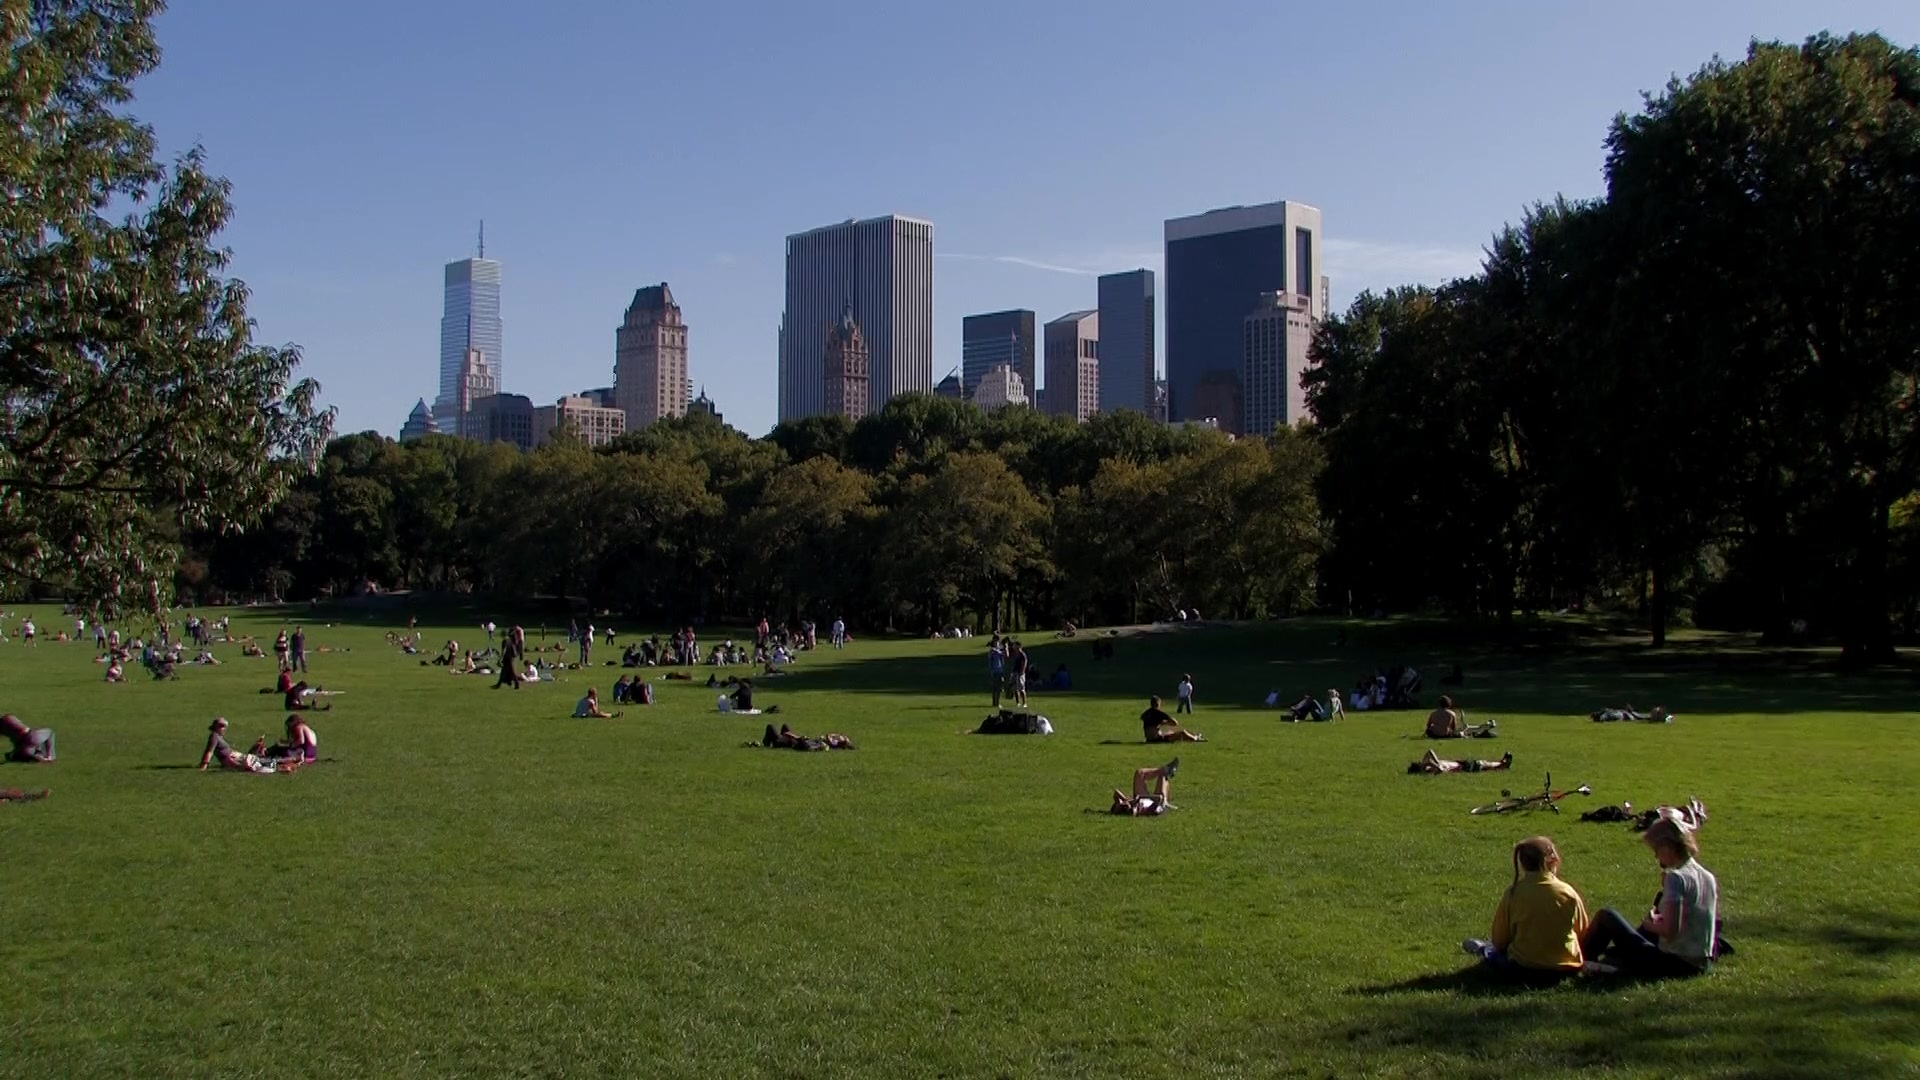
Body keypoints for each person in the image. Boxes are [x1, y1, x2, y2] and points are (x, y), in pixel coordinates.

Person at [1581, 817, 1720, 978]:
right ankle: (1609, 960)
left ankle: (1580, 960)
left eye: (1656, 850)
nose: (1656, 857)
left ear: (1667, 847)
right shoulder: (1707, 876)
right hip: (1701, 962)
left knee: (1607, 915)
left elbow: (1670, 931)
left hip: (1675, 964)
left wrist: (1649, 925)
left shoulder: (1676, 878)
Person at [1462, 836, 1591, 981]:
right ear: (1552, 860)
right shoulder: (1567, 892)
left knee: (1493, 953)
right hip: (1565, 969)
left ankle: (1482, 949)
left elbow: (1500, 940)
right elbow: (1582, 932)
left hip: (1524, 969)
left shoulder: (1514, 893)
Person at [199, 718, 294, 774]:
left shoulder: (218, 737)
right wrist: (204, 766)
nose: (224, 729)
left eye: (224, 726)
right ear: (215, 726)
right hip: (234, 760)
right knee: (262, 762)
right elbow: (209, 751)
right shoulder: (214, 736)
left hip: (237, 757)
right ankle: (291, 761)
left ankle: (289, 762)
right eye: (221, 726)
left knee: (261, 759)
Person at [1110, 758, 1179, 816]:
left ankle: (1165, 769)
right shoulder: (1132, 810)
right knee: (1162, 776)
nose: (1122, 804)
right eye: (1121, 806)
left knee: (1139, 773)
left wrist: (1125, 800)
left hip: (1144, 797)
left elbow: (1116, 792)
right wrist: (1134, 801)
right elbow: (1159, 797)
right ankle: (1166, 802)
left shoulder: (1126, 802)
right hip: (1157, 803)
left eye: (1119, 803)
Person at [1426, 695, 1495, 739]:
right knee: (1465, 730)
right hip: (1447, 735)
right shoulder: (1452, 714)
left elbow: (1428, 725)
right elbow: (1454, 727)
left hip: (1435, 735)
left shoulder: (1433, 713)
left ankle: (1483, 727)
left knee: (1464, 729)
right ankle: (1484, 727)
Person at [1408, 749, 1513, 774]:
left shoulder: (1429, 765)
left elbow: (1429, 751)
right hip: (1461, 767)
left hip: (1459, 763)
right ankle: (1502, 764)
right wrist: (1437, 766)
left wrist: (1435, 763)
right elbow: (1441, 770)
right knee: (1482, 764)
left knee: (1483, 764)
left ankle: (1501, 764)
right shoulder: (1431, 771)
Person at [988, 635, 1007, 708]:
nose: (997, 644)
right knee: (996, 688)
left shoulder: (998, 650)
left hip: (1000, 670)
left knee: (998, 688)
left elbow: (1004, 654)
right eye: (996, 643)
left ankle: (996, 702)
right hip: (996, 671)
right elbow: (999, 653)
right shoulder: (992, 651)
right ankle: (996, 702)